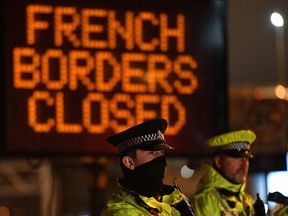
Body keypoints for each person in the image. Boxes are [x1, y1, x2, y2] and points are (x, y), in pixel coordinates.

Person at [101, 118, 195, 216]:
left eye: (161, 152)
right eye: (152, 153)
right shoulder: (121, 212)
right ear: (129, 162)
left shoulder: (172, 200)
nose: (161, 158)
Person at [190, 130, 264, 216]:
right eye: (237, 157)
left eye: (246, 158)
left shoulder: (247, 201)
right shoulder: (205, 202)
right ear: (218, 162)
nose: (244, 163)